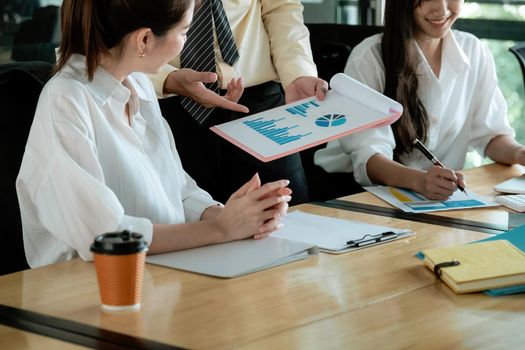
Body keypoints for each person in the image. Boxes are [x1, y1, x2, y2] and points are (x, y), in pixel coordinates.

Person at [16, 0, 291, 269]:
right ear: (144, 40)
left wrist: (236, 215)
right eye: (184, 32)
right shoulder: (66, 99)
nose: (185, 42)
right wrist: (221, 228)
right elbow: (104, 236)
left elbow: (178, 190)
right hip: (84, 289)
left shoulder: (138, 85)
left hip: (159, 270)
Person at [314, 0, 525, 201]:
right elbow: (369, 158)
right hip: (350, 192)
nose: (441, 9)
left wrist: (519, 153)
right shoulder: (368, 57)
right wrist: (421, 181)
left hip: (431, 197)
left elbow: (491, 135)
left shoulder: (474, 50)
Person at [151, 0, 328, 206]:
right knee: (188, 220)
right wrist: (166, 79)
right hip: (170, 101)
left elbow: (281, 8)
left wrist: (298, 72)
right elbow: (117, 24)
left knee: (288, 215)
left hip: (258, 102)